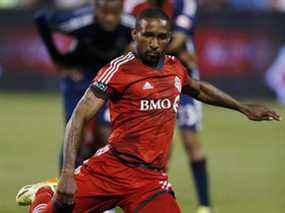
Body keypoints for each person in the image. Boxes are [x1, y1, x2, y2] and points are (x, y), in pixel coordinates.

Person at [16, 8, 280, 213]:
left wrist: (243, 108)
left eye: (161, 37)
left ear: (168, 38)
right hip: (111, 169)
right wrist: (66, 174)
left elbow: (199, 89)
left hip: (149, 180)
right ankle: (43, 195)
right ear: (135, 34)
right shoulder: (119, 70)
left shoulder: (175, 68)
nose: (154, 43)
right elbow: (80, 115)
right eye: (147, 35)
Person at [124, 1, 210, 212]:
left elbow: (178, 40)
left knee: (191, 141)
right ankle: (150, 193)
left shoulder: (185, 3)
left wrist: (146, 47)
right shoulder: (134, 5)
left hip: (183, 76)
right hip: (151, 81)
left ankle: (205, 205)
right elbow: (126, 40)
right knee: (157, 144)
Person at [34, 0, 134, 170]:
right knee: (74, 133)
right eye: (104, 13)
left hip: (109, 80)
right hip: (79, 79)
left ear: (122, 10)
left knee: (107, 135)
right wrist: (59, 60)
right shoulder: (79, 22)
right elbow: (41, 19)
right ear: (95, 8)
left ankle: (95, 184)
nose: (109, 19)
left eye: (114, 13)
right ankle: (64, 184)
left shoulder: (132, 26)